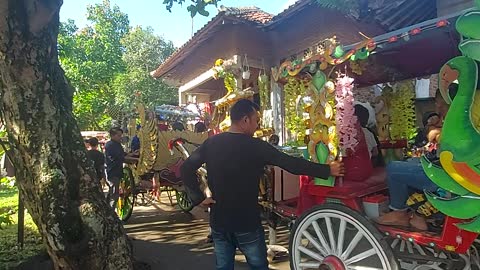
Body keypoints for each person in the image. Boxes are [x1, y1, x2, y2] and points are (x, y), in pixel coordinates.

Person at [181, 99, 345, 270]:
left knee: (223, 267)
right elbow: (291, 164)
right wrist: (327, 170)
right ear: (245, 120)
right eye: (256, 121)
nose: (257, 125)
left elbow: (186, 168)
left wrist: (198, 198)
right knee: (258, 266)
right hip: (247, 222)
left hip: (219, 221)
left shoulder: (211, 143)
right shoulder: (257, 146)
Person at [376, 85, 457, 230]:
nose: (437, 106)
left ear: (449, 103)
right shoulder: (460, 120)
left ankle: (399, 212)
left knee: (393, 168)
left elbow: (434, 136)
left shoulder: (454, 123)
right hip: (453, 173)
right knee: (410, 162)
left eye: (439, 102)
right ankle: (417, 213)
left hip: (446, 179)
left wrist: (433, 128)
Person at [105, 127, 138, 210]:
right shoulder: (110, 145)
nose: (120, 137)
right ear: (113, 135)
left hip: (117, 171)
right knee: (114, 194)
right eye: (119, 136)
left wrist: (133, 154)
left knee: (113, 193)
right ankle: (110, 214)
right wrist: (135, 159)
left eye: (121, 135)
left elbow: (123, 154)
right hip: (112, 172)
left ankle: (109, 212)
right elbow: (120, 158)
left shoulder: (117, 144)